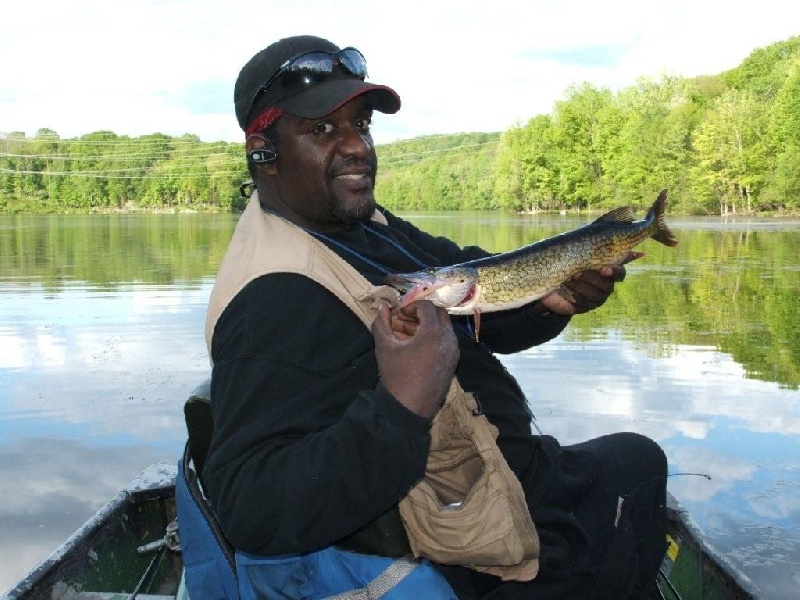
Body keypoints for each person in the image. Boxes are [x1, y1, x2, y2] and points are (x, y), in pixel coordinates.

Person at [202, 34, 668, 599]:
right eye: (323, 129)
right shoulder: (274, 296)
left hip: (501, 468)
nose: (357, 147)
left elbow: (476, 291)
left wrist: (551, 301)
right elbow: (251, 508)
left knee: (633, 457)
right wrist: (403, 404)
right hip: (480, 538)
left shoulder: (359, 225)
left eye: (362, 125)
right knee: (639, 466)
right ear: (263, 152)